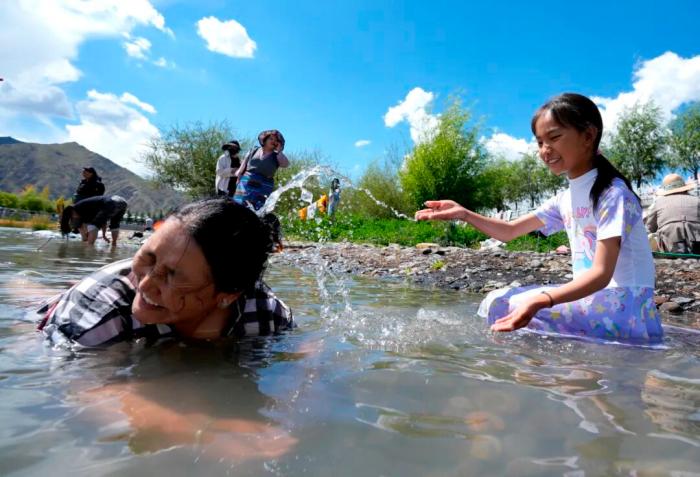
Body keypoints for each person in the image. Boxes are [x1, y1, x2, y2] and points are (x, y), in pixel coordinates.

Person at [416, 93, 662, 343]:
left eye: (554, 138)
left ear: (588, 136)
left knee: (515, 306)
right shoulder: (565, 198)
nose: (545, 150)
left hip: (626, 308)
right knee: (497, 301)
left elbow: (601, 273)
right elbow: (509, 231)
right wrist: (464, 213)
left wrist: (542, 300)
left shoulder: (613, 194)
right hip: (597, 301)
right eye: (540, 142)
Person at [41, 199, 294, 347]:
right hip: (53, 313)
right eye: (148, 257)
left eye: (173, 276)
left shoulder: (264, 312)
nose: (145, 285)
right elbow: (84, 390)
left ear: (228, 295)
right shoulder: (100, 314)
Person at [644, 173, 700, 254]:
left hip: (671, 246)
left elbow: (650, 228)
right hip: (697, 244)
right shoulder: (697, 200)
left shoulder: (658, 203)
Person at [234, 130, 289, 210]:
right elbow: (243, 166)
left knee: (257, 210)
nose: (273, 141)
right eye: (271, 139)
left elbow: (285, 164)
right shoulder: (254, 150)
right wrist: (238, 177)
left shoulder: (277, 155)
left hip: (264, 185)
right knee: (239, 206)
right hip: (246, 183)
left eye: (276, 140)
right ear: (265, 139)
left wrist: (279, 152)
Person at [60, 195, 128, 247]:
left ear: (72, 212)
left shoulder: (78, 208)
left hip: (111, 202)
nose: (74, 218)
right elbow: (103, 221)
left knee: (93, 226)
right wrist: (104, 235)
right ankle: (114, 244)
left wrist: (86, 237)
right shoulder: (89, 209)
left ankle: (90, 248)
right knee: (115, 224)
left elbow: (90, 227)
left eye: (72, 217)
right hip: (122, 202)